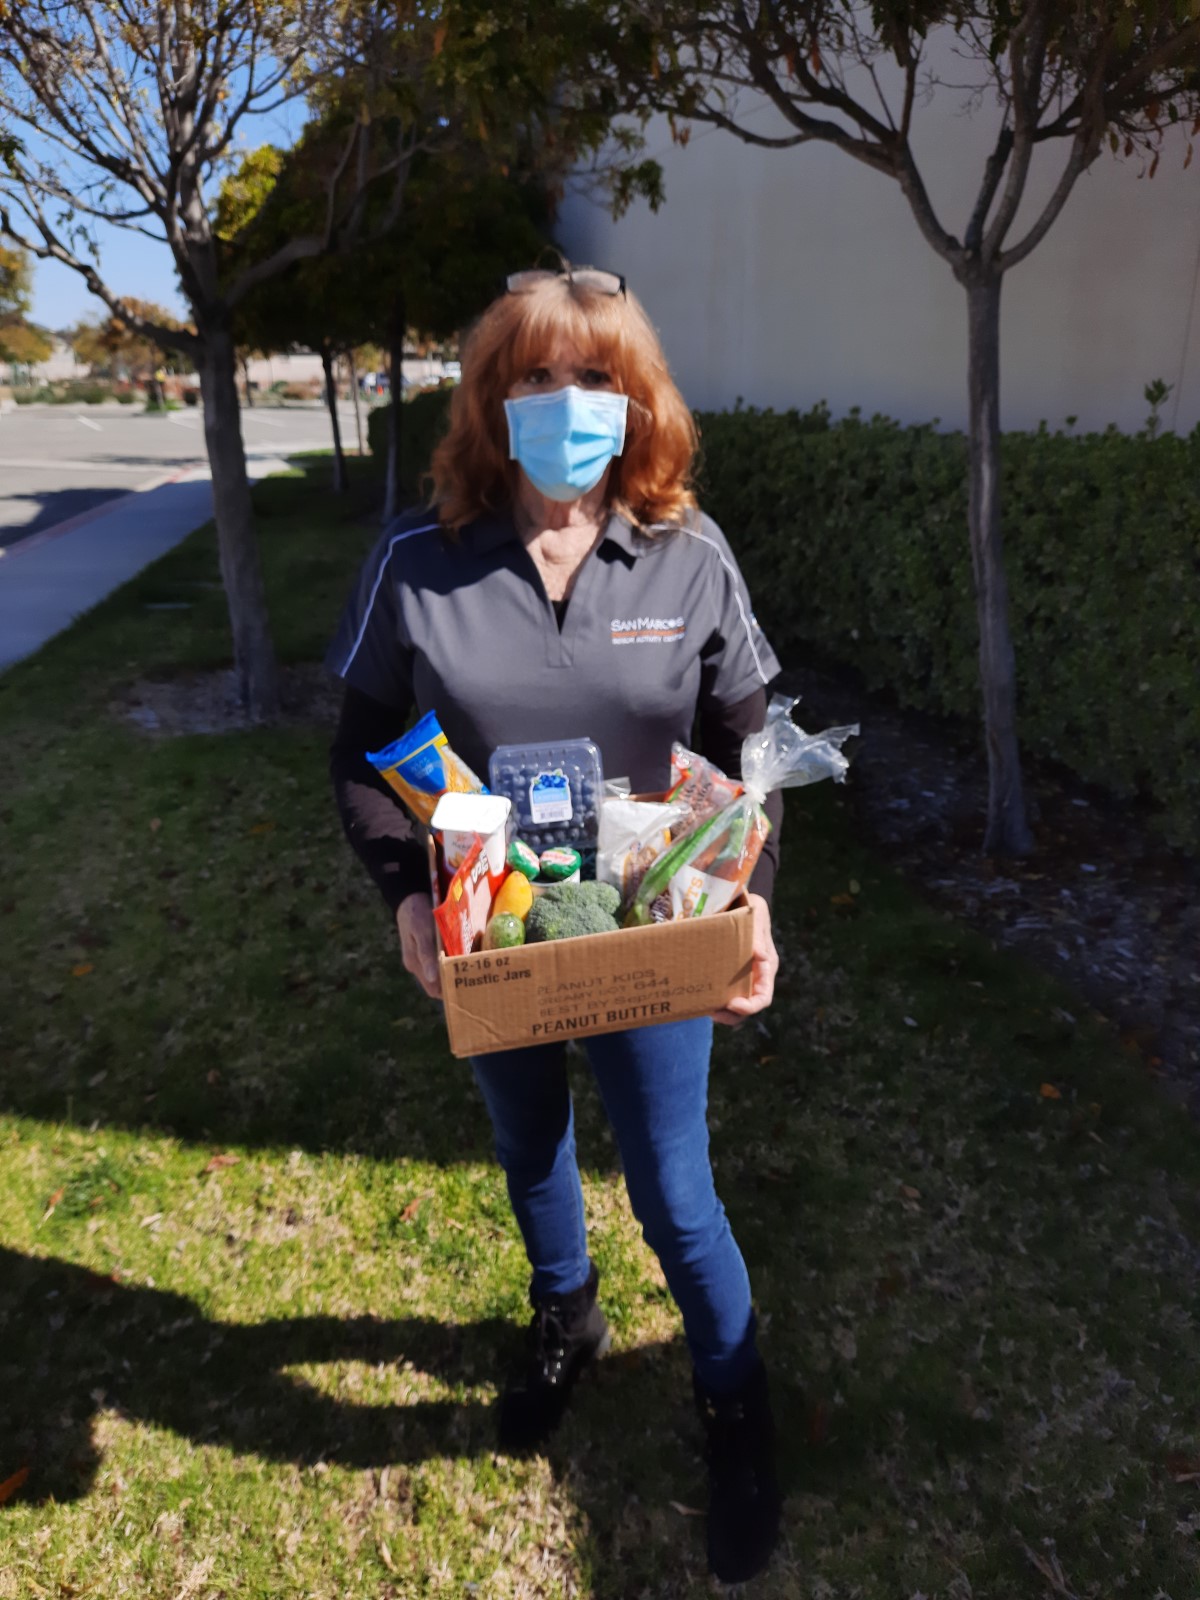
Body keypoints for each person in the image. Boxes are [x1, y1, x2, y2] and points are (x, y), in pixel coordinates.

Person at [327, 265, 784, 1583]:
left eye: (595, 377)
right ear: (491, 400)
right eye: (535, 376)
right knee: (531, 1148)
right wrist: (406, 895)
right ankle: (566, 1317)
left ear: (635, 401)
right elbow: (361, 751)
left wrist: (751, 909)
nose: (566, 402)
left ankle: (734, 1399)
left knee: (675, 1191)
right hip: (493, 922)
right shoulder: (418, 563)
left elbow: (749, 750)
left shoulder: (689, 557)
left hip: (649, 920)